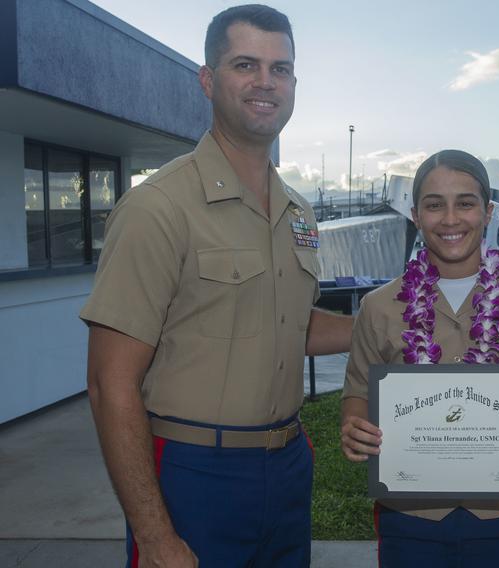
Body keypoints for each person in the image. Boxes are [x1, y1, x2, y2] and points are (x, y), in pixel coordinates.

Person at [80, 5, 353, 567]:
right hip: (192, 472)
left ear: (294, 84)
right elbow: (110, 385)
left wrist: (389, 322)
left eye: (280, 69)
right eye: (245, 65)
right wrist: (155, 536)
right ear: (208, 80)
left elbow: (291, 325)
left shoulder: (298, 212)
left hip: (286, 468)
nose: (264, 82)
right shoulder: (158, 208)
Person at [340, 149, 499, 567]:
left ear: (488, 212)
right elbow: (357, 392)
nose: (450, 219)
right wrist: (353, 426)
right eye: (435, 205)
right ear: (416, 214)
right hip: (411, 518)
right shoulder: (379, 307)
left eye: (465, 203)